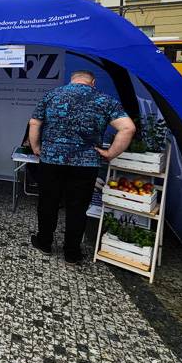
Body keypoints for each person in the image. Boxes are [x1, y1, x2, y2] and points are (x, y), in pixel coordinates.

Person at [28, 70, 136, 263]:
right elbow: (128, 128)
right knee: (77, 207)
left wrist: (36, 147)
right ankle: (72, 253)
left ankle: (44, 243)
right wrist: (110, 153)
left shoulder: (52, 95)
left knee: (48, 203)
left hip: (51, 160)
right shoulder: (104, 99)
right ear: (93, 82)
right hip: (86, 163)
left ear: (72, 80)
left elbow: (35, 122)